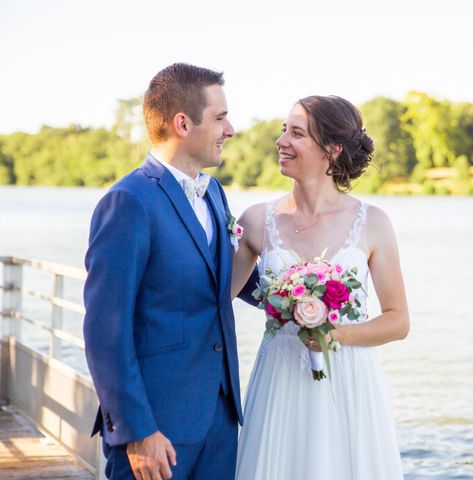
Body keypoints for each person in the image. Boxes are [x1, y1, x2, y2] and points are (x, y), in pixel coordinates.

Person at [83, 63, 257, 480]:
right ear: (183, 123)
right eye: (220, 118)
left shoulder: (214, 192)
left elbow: (224, 280)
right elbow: (106, 330)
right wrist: (138, 430)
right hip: (156, 426)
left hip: (219, 417)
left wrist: (311, 292)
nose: (230, 129)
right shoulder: (128, 202)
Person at [231, 95, 410, 478]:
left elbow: (398, 321)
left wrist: (338, 335)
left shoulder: (373, 222)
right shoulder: (256, 221)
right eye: (283, 131)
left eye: (296, 133)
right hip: (279, 378)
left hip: (348, 381)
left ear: (332, 149)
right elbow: (213, 298)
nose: (281, 141)